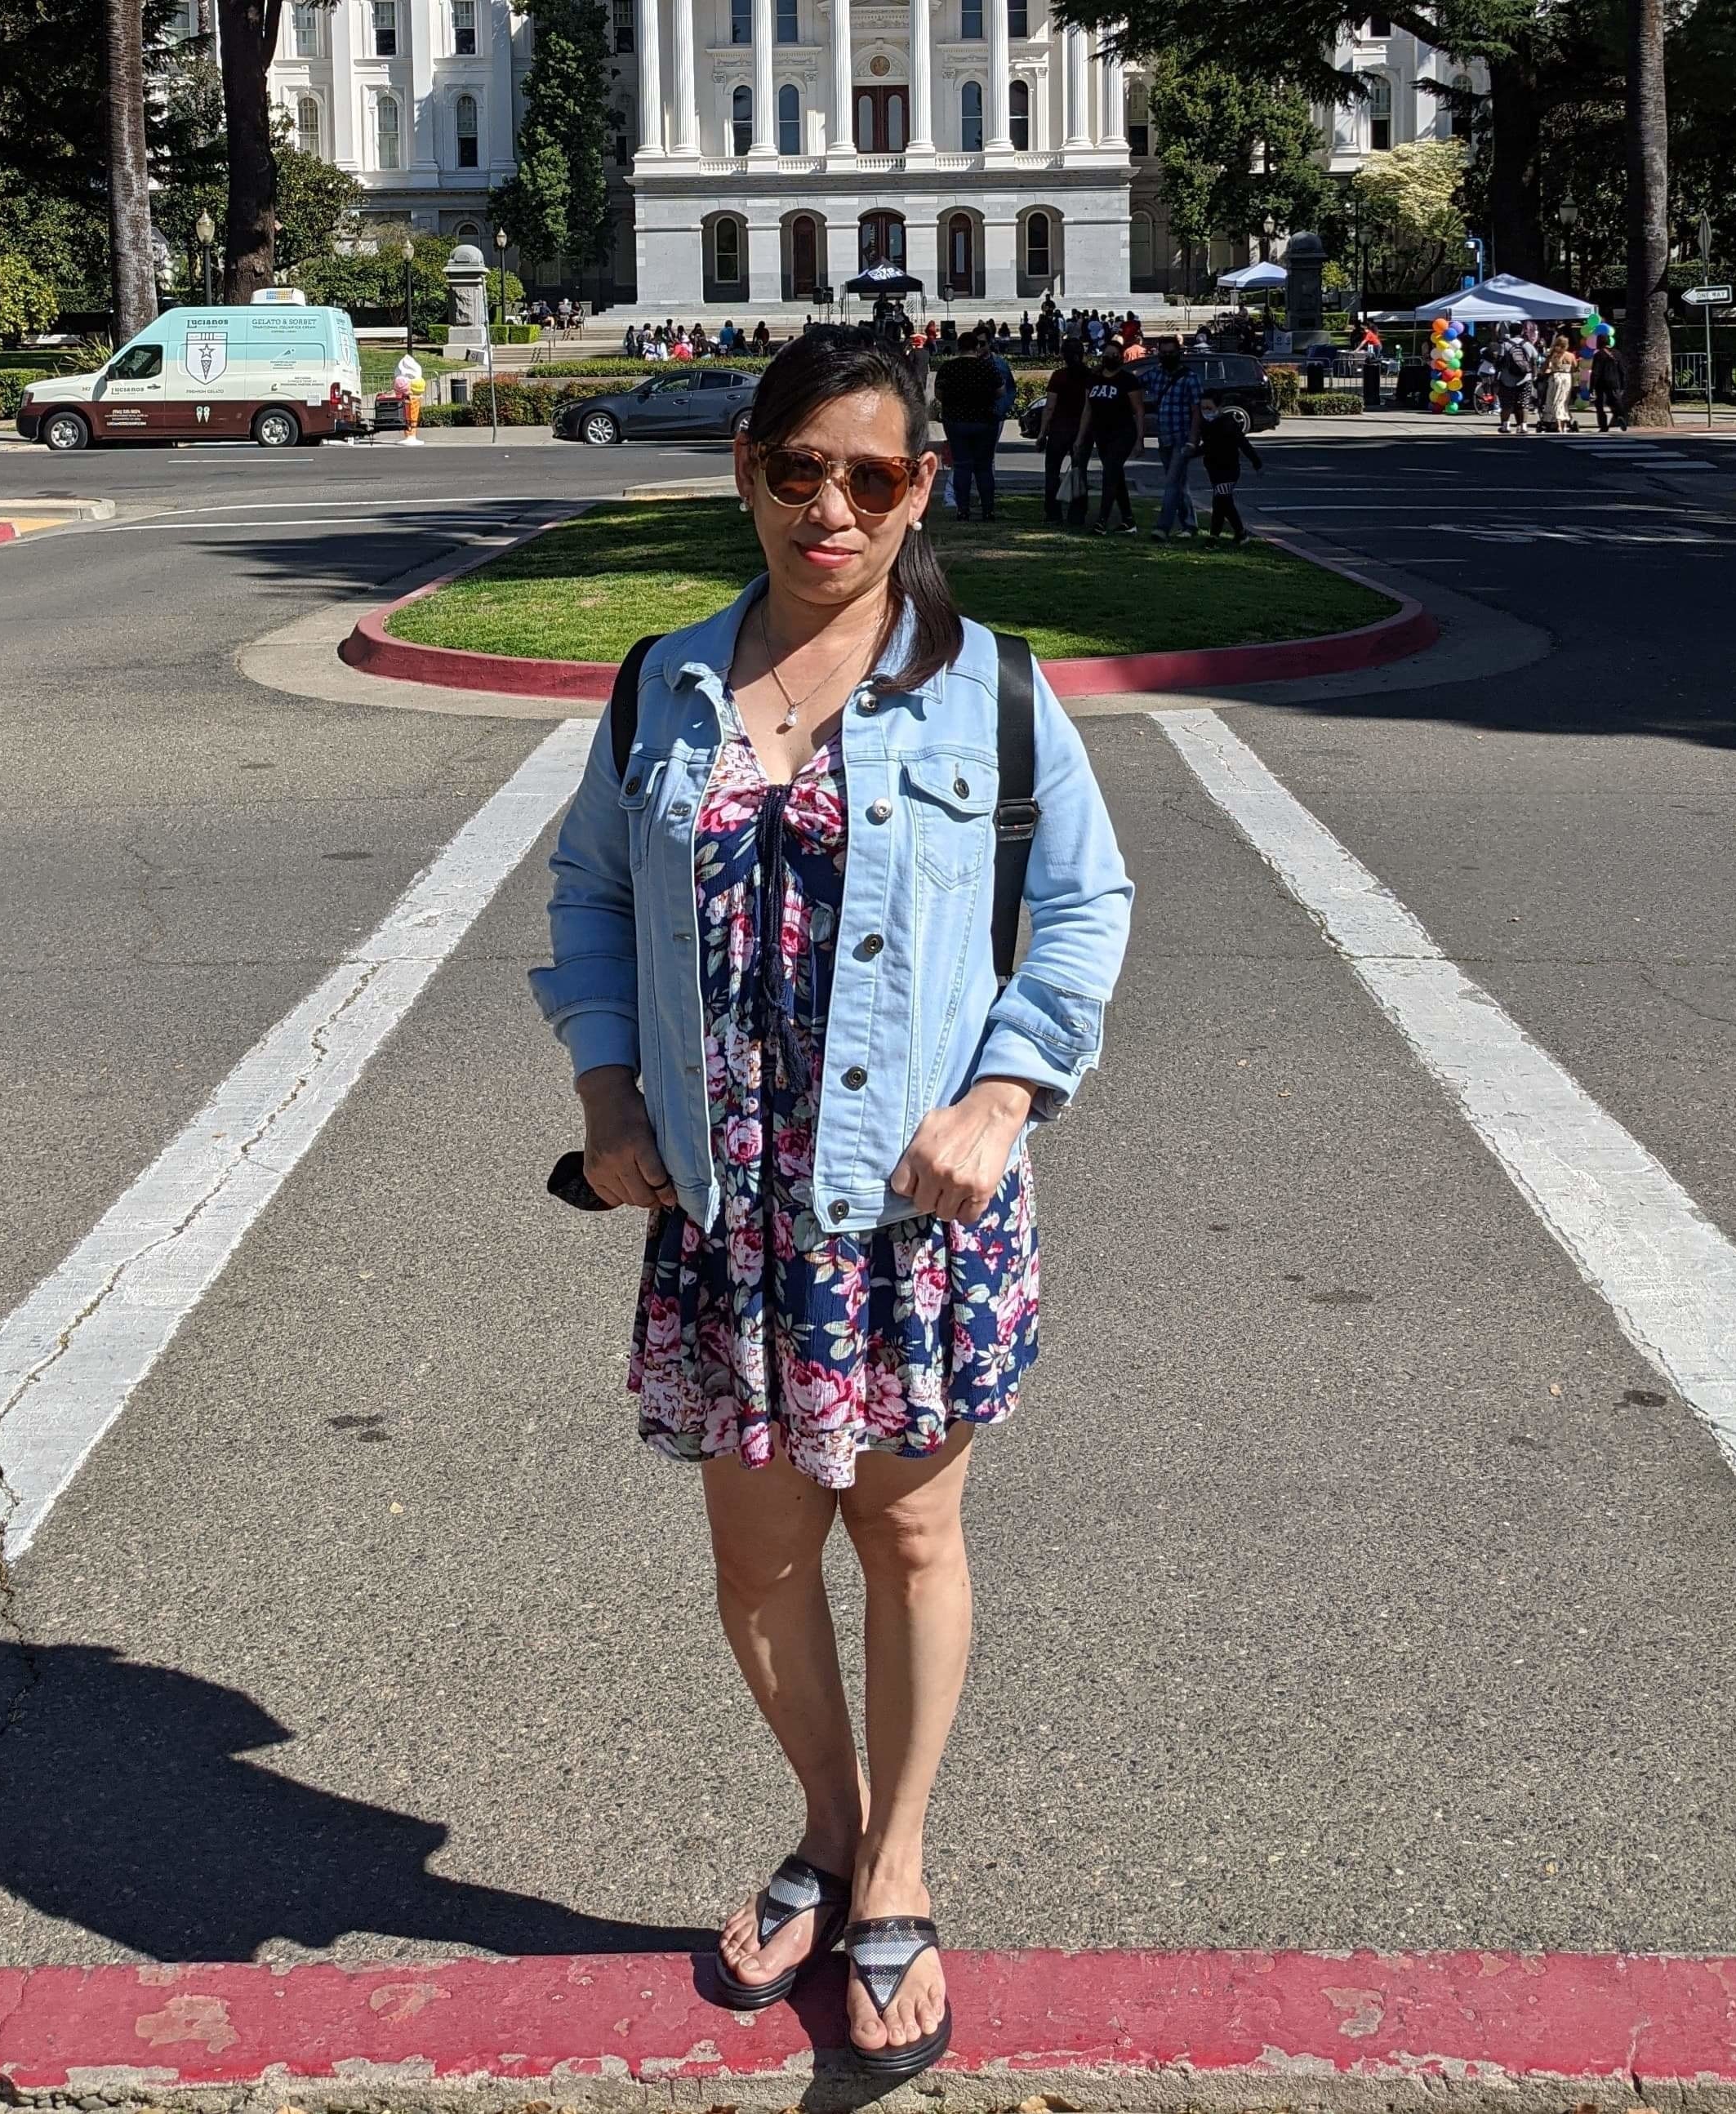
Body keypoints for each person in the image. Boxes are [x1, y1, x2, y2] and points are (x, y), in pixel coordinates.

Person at [531, 326, 1131, 2083]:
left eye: (871, 476)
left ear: (919, 489)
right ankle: (826, 1819)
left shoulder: (991, 690)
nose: (831, 508)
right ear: (747, 470)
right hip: (725, 1216)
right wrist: (606, 1088)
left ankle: (902, 1868)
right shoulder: (662, 687)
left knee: (912, 1538)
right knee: (758, 1555)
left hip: (908, 1216)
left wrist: (1008, 1093)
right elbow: (584, 898)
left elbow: (1083, 911)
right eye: (799, 470)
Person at [1073, 340, 1145, 535]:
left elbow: (1138, 410)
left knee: (1110, 473)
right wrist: (1080, 437)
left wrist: (1140, 439)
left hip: (1123, 433)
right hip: (1101, 434)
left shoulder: (1128, 380)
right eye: (1107, 354)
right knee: (1116, 475)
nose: (1109, 358)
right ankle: (1128, 520)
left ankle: (1102, 521)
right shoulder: (1094, 380)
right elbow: (1087, 410)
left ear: (1120, 357)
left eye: (1114, 355)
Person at [933, 329, 1003, 521]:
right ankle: (988, 510)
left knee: (962, 466)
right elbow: (1001, 391)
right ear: (977, 347)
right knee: (984, 466)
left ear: (958, 347)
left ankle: (962, 509)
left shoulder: (948, 368)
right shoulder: (987, 367)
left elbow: (939, 394)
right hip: (985, 421)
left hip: (956, 421)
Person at [1146, 336, 1203, 539]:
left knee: (1171, 483)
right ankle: (1189, 525)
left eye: (1171, 352)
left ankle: (1162, 527)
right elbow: (1132, 384)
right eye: (1163, 353)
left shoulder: (1190, 378)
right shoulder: (1155, 374)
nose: (1167, 356)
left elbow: (1197, 412)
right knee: (1179, 483)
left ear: (1179, 353)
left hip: (1182, 437)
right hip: (1164, 437)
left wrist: (1193, 440)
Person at [1037, 336, 1091, 525]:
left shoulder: (1059, 376)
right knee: (1079, 471)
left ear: (1063, 356)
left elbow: (1050, 407)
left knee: (1052, 472)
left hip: (1059, 429)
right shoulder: (1090, 376)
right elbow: (1089, 405)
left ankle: (1053, 513)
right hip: (1082, 430)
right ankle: (1078, 513)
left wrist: (1042, 432)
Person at [1194, 398, 1262, 543]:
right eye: (1203, 408)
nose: (1206, 412)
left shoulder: (1228, 423)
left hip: (1229, 469)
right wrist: (1190, 453)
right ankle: (1240, 533)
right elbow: (1207, 447)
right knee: (1223, 501)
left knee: (1221, 500)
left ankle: (1215, 535)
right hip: (1214, 469)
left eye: (1209, 408)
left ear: (1218, 408)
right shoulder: (1205, 425)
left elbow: (1244, 444)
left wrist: (1256, 463)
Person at [1493, 326, 1534, 434]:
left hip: (1507, 379)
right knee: (1523, 403)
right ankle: (1523, 426)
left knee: (1506, 404)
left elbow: (1499, 361)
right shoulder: (1527, 345)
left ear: (1510, 332)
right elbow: (1535, 358)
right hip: (1525, 378)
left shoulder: (1505, 345)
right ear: (1521, 331)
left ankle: (1505, 426)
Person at [1541, 333, 1578, 431]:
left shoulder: (1553, 355)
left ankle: (1557, 423)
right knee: (1564, 401)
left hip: (1555, 377)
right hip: (1567, 377)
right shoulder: (1570, 356)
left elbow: (1544, 369)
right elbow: (1574, 368)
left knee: (1554, 400)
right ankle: (1564, 424)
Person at [1589, 336, 1627, 429]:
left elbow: (1595, 372)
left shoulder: (1599, 355)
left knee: (1600, 405)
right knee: (1615, 402)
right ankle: (1620, 416)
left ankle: (1603, 426)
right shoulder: (1617, 354)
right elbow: (1622, 371)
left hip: (1601, 383)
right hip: (1615, 382)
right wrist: (1622, 385)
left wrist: (1591, 387)